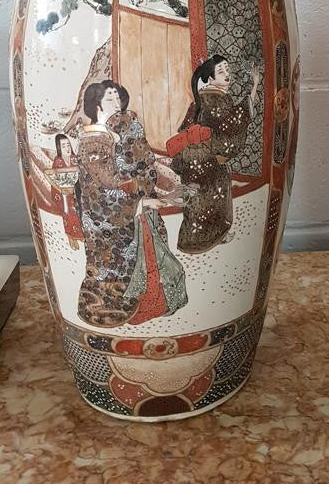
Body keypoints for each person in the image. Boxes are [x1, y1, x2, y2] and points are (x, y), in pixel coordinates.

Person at [76, 79, 186, 327]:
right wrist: (140, 200)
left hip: (133, 206)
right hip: (106, 215)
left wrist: (149, 186)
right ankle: (109, 311)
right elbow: (106, 183)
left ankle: (152, 305)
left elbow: (143, 161)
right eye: (109, 98)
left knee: (147, 255)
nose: (116, 102)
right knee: (111, 266)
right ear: (96, 105)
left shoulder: (122, 129)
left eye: (117, 97)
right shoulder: (93, 140)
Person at [169, 55, 259, 253]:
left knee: (201, 202)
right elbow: (232, 124)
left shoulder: (203, 98)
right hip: (206, 159)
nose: (227, 74)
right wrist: (254, 88)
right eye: (221, 71)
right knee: (210, 200)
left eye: (227, 69)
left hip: (195, 159)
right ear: (210, 78)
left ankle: (200, 239)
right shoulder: (214, 99)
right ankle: (199, 241)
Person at [50, 133, 83, 249]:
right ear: (59, 147)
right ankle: (71, 237)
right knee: (68, 212)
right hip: (62, 192)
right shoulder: (58, 161)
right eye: (63, 146)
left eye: (68, 145)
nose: (67, 148)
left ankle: (78, 234)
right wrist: (62, 189)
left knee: (78, 211)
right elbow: (54, 177)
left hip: (76, 190)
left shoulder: (75, 158)